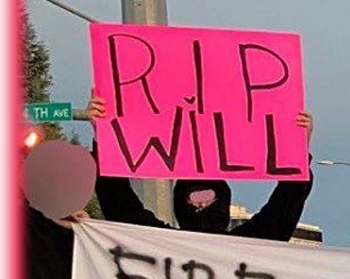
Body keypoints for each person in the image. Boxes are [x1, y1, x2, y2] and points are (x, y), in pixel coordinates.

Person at [85, 90, 313, 240]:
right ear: (179, 203)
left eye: (207, 198)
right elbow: (117, 201)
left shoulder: (252, 243)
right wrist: (104, 137)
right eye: (195, 200)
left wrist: (297, 149)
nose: (202, 206)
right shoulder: (157, 243)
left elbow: (286, 204)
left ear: (223, 200)